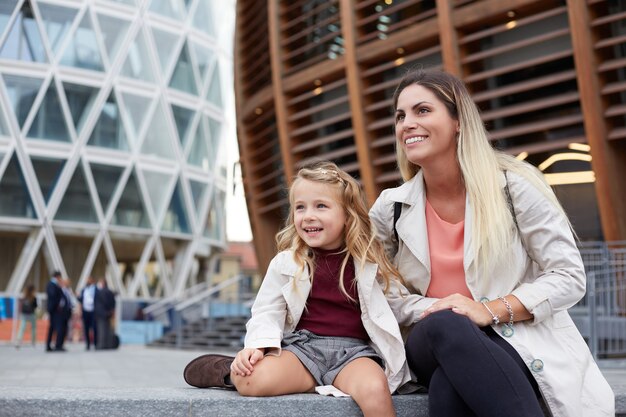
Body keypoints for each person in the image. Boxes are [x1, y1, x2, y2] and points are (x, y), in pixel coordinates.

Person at [368, 68, 614, 417]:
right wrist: (441, 308)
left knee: (449, 387)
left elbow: (568, 276)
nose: (406, 123)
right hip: (429, 339)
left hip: (515, 338)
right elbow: (375, 291)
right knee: (446, 324)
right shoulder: (389, 207)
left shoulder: (515, 189)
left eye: (422, 110)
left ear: (458, 121)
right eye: (400, 116)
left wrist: (487, 311)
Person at [183, 162, 410, 417]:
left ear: (347, 215)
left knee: (375, 388)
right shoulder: (287, 262)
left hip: (353, 354)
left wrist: (435, 305)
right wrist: (257, 348)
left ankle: (321, 380)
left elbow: (400, 302)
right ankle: (227, 370)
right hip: (303, 350)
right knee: (251, 381)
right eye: (300, 207)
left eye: (321, 206)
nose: (308, 215)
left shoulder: (368, 263)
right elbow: (267, 311)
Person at [45, 271, 66, 352]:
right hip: (54, 310)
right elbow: (53, 296)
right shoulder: (52, 284)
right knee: (54, 328)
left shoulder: (54, 285)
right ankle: (51, 345)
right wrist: (58, 306)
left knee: (53, 327)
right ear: (57, 277)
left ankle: (52, 345)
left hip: (55, 310)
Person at [94, 278, 116, 350]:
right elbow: (113, 303)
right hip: (108, 313)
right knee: (108, 330)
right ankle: (109, 345)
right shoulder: (110, 292)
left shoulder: (98, 292)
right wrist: (110, 311)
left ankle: (102, 345)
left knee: (101, 330)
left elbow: (97, 304)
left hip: (101, 314)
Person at [77, 276, 98, 350]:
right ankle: (88, 344)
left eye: (88, 280)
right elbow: (80, 300)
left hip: (93, 311)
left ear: (92, 280)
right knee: (86, 328)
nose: (87, 281)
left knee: (94, 328)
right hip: (85, 311)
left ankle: (95, 343)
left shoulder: (96, 289)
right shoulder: (84, 289)